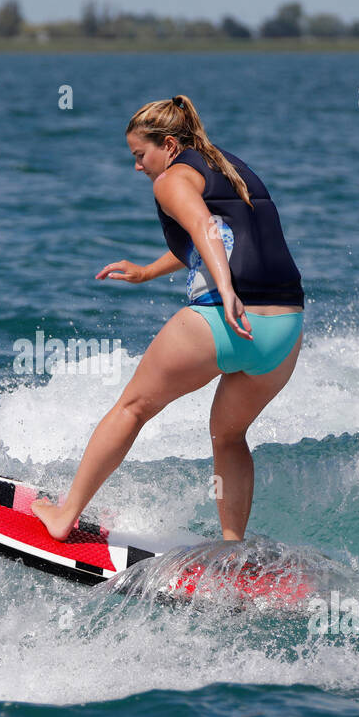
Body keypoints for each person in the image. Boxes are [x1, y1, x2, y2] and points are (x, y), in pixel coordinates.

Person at [31, 94, 305, 542]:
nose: (138, 167)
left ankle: (65, 515)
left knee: (133, 407)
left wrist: (229, 292)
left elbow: (205, 230)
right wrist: (149, 271)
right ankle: (232, 546)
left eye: (141, 155)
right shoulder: (226, 167)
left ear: (170, 145)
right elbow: (231, 235)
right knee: (228, 435)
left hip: (225, 319)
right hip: (282, 332)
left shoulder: (172, 178)